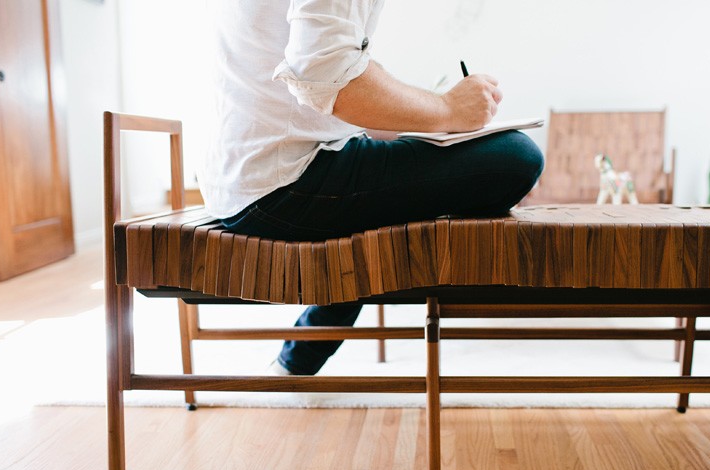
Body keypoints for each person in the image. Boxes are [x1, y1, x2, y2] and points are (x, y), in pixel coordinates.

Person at [200, 0, 544, 376]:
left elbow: (332, 73)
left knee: (381, 202)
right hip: (284, 182)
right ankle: (296, 361)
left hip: (240, 180)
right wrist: (447, 109)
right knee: (516, 158)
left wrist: (430, 119)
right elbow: (327, 74)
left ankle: (296, 362)